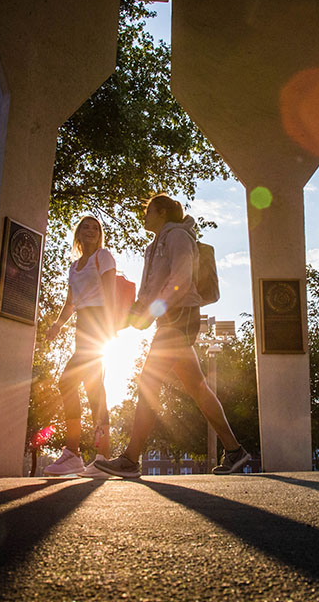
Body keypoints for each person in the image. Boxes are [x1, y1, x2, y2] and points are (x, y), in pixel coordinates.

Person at [94, 195, 251, 478]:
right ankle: (235, 451)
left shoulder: (178, 236)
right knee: (198, 387)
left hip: (180, 315)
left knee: (148, 382)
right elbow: (153, 287)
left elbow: (181, 280)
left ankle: (130, 459)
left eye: (148, 211)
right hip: (169, 316)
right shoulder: (155, 245)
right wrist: (135, 314)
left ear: (162, 212)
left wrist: (151, 312)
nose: (144, 216)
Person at [42, 215, 117, 477]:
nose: (90, 230)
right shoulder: (74, 267)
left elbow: (110, 293)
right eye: (85, 226)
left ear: (100, 234)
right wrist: (58, 325)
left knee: (71, 383)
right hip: (82, 326)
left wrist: (110, 325)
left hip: (98, 324)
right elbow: (71, 303)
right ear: (78, 234)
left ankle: (89, 455)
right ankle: (91, 456)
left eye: (95, 228)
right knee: (91, 388)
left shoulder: (103, 257)